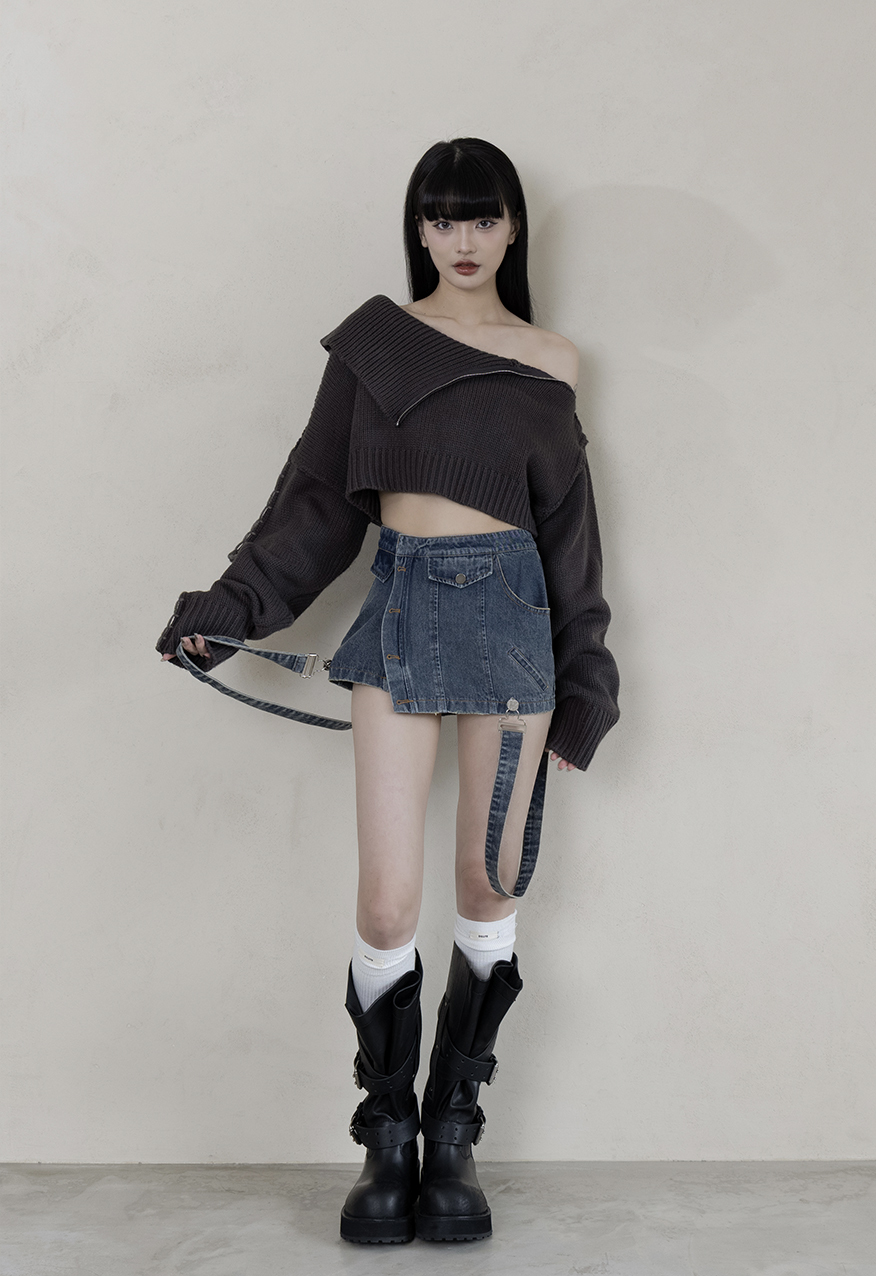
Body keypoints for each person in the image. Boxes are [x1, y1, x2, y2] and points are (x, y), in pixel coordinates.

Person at [157, 137, 620, 1244]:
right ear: (418, 228)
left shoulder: (552, 359)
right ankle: (387, 1137)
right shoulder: (374, 347)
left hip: (514, 620)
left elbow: (569, 531)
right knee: (385, 902)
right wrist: (232, 608)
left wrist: (588, 677)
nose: (464, 239)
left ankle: (454, 1133)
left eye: (484, 217)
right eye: (443, 217)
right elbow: (315, 500)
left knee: (489, 882)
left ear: (514, 228)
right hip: (402, 610)